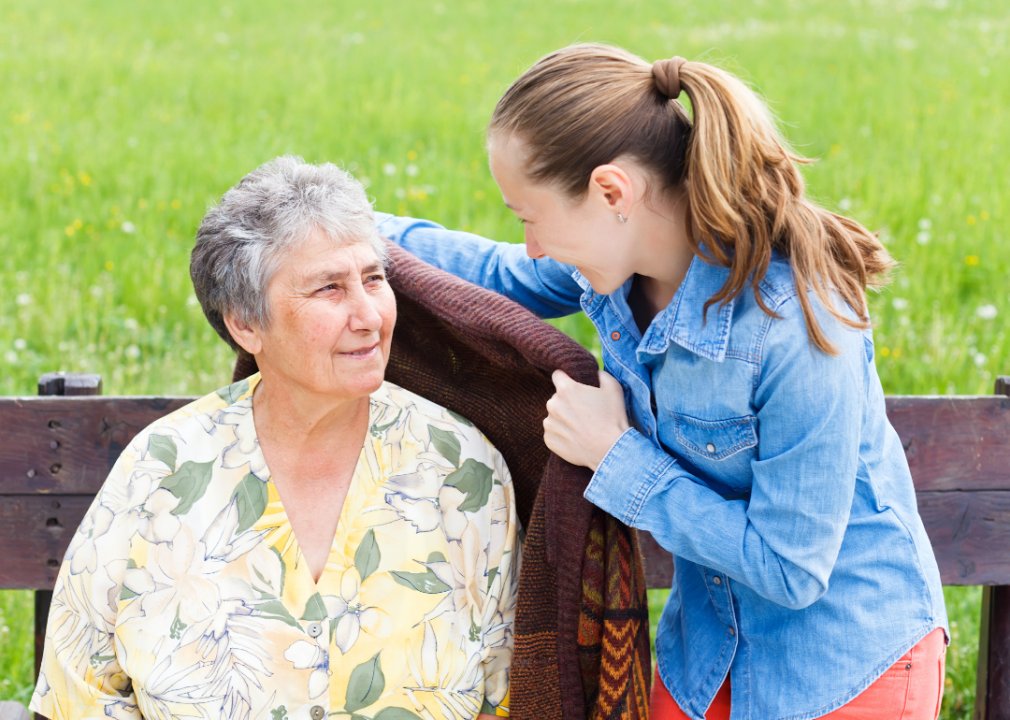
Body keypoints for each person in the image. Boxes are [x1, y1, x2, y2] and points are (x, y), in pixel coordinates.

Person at [376, 44, 948, 719]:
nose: (530, 244)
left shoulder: (798, 327)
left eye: (530, 217)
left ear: (613, 192)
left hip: (843, 666)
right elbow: (495, 274)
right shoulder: (617, 262)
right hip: (704, 654)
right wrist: (343, 227)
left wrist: (616, 457)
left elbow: (792, 571)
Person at [30, 156, 519, 720]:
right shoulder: (162, 468)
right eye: (329, 289)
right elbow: (79, 692)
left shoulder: (461, 468)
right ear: (245, 323)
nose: (368, 315)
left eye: (373, 280)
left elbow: (501, 695)